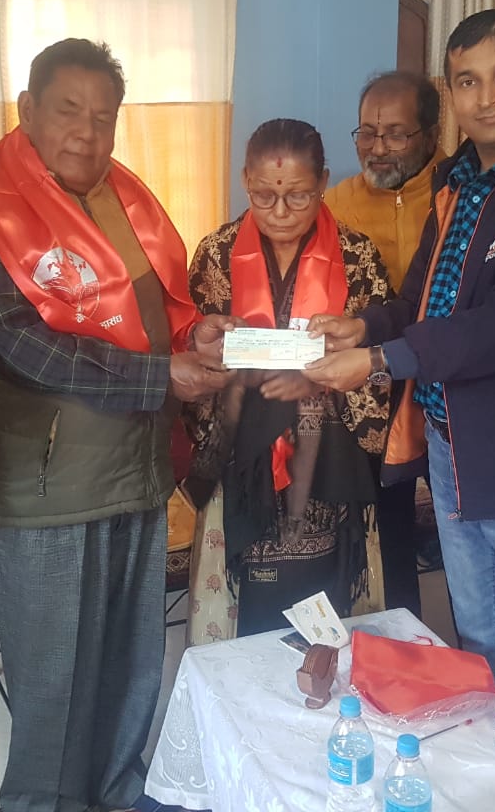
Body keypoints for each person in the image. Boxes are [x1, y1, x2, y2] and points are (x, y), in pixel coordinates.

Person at [305, 9, 495, 749]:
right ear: (452, 94)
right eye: (468, 81)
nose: (487, 97)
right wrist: (363, 327)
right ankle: (492, 778)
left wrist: (380, 361)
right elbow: (422, 297)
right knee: (478, 637)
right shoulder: (458, 180)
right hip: (452, 445)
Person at [0, 37, 233, 812]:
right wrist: (163, 375)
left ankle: (119, 794)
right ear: (27, 109)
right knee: (55, 687)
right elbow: (22, 345)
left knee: (131, 665)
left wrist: (195, 335)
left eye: (104, 117)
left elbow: (156, 311)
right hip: (48, 488)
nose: (87, 132)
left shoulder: (124, 198)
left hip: (135, 470)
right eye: (68, 110)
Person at [185, 118, 393, 641]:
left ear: (322, 181)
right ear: (245, 180)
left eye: (298, 196)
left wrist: (318, 383)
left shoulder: (357, 256)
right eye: (263, 196)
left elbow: (379, 365)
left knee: (326, 628)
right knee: (247, 623)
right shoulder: (215, 254)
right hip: (243, 463)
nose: (279, 212)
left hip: (328, 464)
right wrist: (211, 350)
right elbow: (193, 361)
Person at [325, 71, 446, 617]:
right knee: (387, 517)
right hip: (371, 384)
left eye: (396, 133)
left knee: (460, 523)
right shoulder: (335, 206)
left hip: (450, 380)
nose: (377, 147)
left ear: (431, 135)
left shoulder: (457, 194)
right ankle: (401, 632)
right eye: (367, 132)